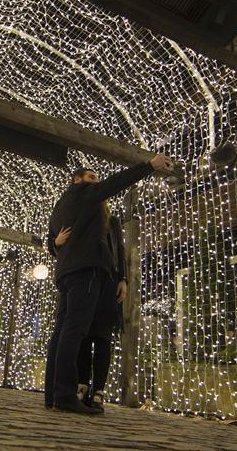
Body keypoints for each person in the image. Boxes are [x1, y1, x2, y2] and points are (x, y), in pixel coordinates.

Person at [44, 156, 172, 414]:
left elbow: (51, 238)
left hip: (66, 273)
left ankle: (53, 393)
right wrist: (149, 165)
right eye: (91, 177)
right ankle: (66, 394)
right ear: (77, 179)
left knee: (62, 331)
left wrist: (54, 245)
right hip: (87, 270)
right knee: (74, 331)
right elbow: (116, 182)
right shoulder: (86, 194)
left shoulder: (60, 205)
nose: (96, 182)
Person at [71, 211, 126, 413]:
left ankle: (99, 390)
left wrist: (123, 279)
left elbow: (120, 249)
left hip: (108, 280)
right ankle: (83, 385)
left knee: (103, 337)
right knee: (84, 335)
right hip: (87, 279)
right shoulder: (83, 216)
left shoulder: (112, 221)